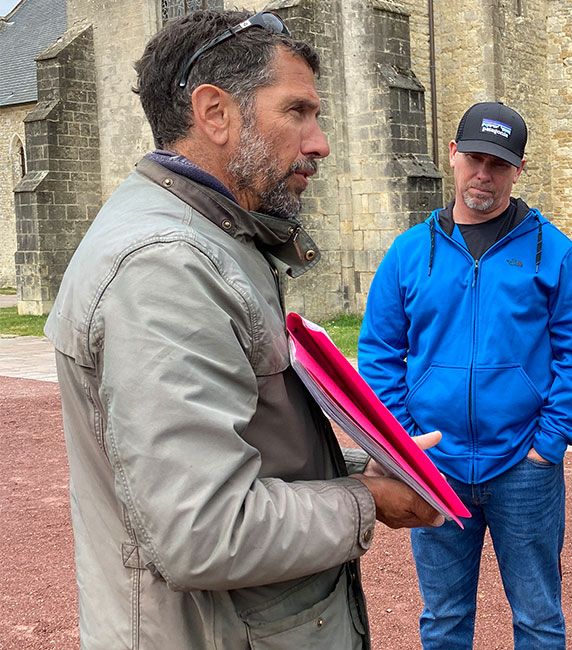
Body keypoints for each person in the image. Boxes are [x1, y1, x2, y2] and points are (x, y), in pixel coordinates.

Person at [44, 10, 443, 649]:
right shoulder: (165, 268)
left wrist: (364, 463)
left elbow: (232, 447)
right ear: (215, 113)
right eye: (297, 112)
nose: (320, 142)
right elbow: (206, 529)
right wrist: (369, 502)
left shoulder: (214, 237)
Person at [357, 102, 572, 649]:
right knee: (443, 619)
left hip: (524, 468)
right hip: (435, 466)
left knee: (538, 618)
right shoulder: (409, 253)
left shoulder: (552, 252)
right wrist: (403, 443)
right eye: (473, 158)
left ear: (518, 169)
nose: (483, 174)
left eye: (499, 163)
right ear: (452, 155)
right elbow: (377, 353)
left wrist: (550, 443)